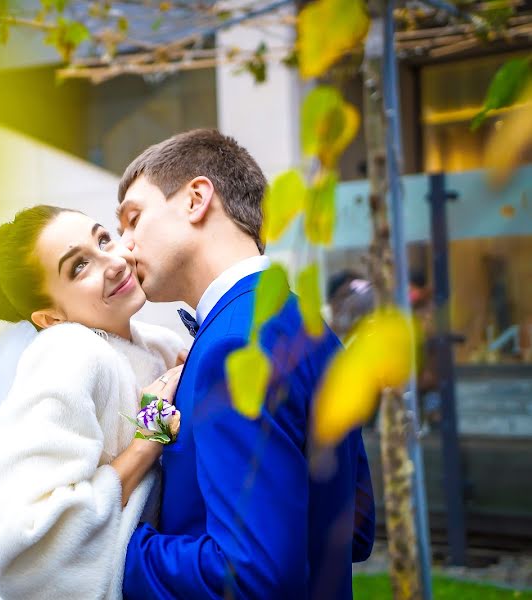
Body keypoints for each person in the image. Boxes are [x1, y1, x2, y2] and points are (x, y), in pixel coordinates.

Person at [116, 129, 375, 599]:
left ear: (196, 199)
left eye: (132, 220)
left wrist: (115, 551)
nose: (123, 247)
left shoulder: (232, 347)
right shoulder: (309, 326)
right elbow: (355, 531)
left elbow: (248, 574)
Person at [0, 205, 187, 600]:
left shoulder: (160, 345)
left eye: (103, 239)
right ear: (50, 318)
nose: (112, 263)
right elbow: (23, 546)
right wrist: (149, 439)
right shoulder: (68, 353)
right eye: (78, 267)